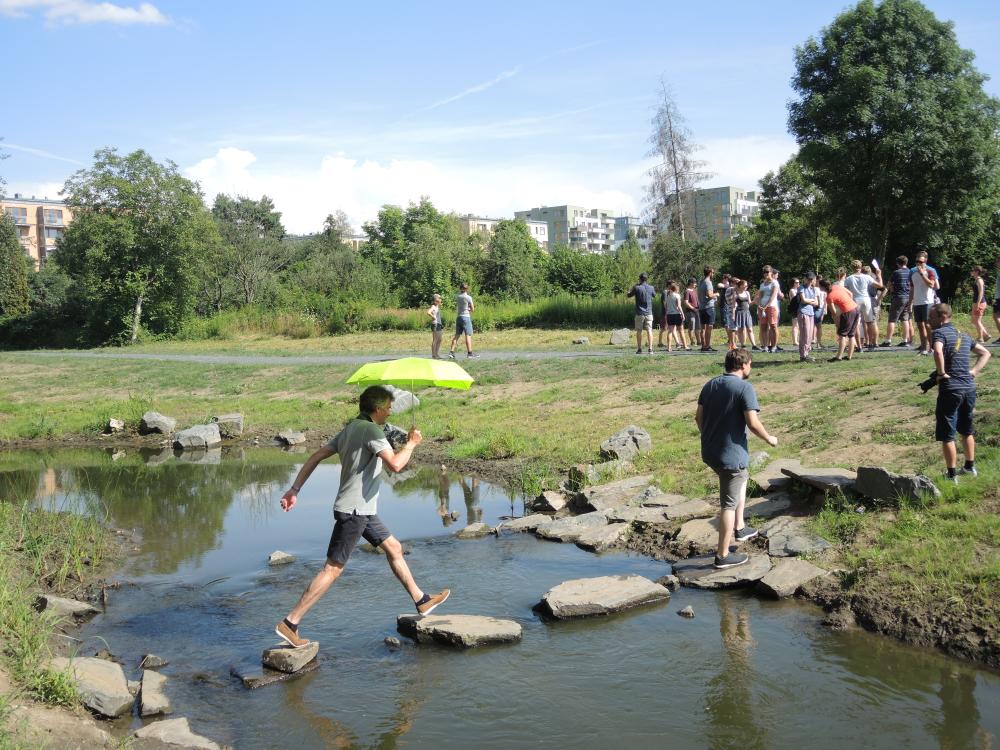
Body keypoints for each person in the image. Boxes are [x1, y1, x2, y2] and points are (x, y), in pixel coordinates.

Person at [274, 385, 451, 648]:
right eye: (389, 407)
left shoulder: (352, 427)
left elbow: (316, 455)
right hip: (355, 510)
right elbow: (396, 464)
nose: (391, 411)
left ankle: (421, 599)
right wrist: (412, 444)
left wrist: (295, 488)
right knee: (332, 569)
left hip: (363, 510)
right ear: (378, 409)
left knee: (394, 547)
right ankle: (290, 623)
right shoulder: (371, 430)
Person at [695, 349, 778, 569]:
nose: (751, 368)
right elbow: (752, 423)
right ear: (744, 365)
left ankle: (740, 528)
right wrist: (769, 438)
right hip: (731, 456)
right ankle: (722, 556)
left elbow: (698, 418)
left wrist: (711, 437)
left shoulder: (711, 384)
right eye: (750, 365)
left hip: (711, 452)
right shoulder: (744, 387)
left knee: (742, 477)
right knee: (728, 504)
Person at [928, 304, 990, 482]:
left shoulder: (938, 333)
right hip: (968, 388)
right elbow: (985, 353)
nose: (929, 320)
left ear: (943, 317)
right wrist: (974, 372)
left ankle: (951, 475)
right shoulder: (963, 335)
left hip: (951, 389)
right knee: (966, 430)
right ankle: (970, 467)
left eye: (932, 317)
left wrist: (941, 373)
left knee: (948, 433)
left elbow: (938, 351)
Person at [821, 278, 860, 361]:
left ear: (822, 288)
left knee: (842, 335)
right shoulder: (837, 286)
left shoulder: (829, 297)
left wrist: (838, 324)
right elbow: (850, 293)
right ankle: (849, 356)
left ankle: (838, 357)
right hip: (855, 308)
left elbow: (834, 313)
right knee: (851, 334)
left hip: (848, 311)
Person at [909, 251, 940, 355]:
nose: (918, 263)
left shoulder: (931, 270)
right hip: (917, 302)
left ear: (925, 260)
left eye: (920, 261)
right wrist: (910, 303)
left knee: (927, 325)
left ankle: (932, 347)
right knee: (920, 326)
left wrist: (922, 273)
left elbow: (931, 285)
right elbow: (912, 288)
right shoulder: (912, 271)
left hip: (928, 301)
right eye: (917, 260)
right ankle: (924, 347)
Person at [883, 255, 913, 347]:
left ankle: (888, 341)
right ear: (906, 263)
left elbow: (888, 285)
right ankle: (905, 340)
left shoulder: (896, 272)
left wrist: (884, 294)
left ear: (897, 263)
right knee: (905, 319)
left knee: (892, 319)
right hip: (909, 297)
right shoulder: (910, 272)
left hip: (898, 297)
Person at [753, 266, 781, 353]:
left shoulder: (775, 283)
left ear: (771, 272)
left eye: (767, 272)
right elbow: (760, 295)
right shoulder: (762, 284)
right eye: (764, 272)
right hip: (762, 307)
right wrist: (760, 305)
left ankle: (774, 346)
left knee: (773, 326)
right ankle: (765, 346)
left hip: (772, 306)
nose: (766, 273)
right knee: (763, 326)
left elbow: (773, 295)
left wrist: (767, 305)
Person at [627, 272, 656, 354]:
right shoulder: (651, 287)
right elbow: (654, 295)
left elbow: (628, 295)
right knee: (649, 330)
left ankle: (639, 349)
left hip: (639, 313)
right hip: (649, 312)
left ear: (640, 279)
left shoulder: (637, 288)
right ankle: (650, 349)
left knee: (639, 331)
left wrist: (632, 287)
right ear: (646, 279)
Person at [448, 283, 478, 359]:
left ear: (460, 288)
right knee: (468, 335)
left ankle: (451, 352)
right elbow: (472, 309)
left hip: (459, 317)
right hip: (466, 317)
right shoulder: (469, 297)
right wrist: (469, 308)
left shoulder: (458, 297)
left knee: (457, 335)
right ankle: (470, 353)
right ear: (467, 289)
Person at [797, 272, 820, 362]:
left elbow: (817, 303)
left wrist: (808, 301)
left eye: (812, 279)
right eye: (809, 279)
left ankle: (806, 354)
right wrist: (811, 301)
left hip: (811, 313)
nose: (810, 281)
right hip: (803, 312)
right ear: (805, 279)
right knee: (804, 334)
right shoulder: (801, 287)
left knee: (810, 335)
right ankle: (803, 355)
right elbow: (803, 300)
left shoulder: (813, 289)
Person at [732, 279, 756, 350]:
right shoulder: (735, 293)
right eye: (745, 285)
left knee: (750, 329)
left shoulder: (747, 293)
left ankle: (754, 345)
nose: (746, 286)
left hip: (747, 312)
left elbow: (750, 303)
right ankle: (743, 345)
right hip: (739, 312)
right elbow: (733, 306)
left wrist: (755, 301)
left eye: (746, 285)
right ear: (741, 285)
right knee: (741, 329)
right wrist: (733, 315)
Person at [698, 266, 718, 352]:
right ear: (710, 273)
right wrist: (716, 294)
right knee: (709, 327)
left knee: (703, 328)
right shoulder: (708, 282)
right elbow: (709, 295)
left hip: (702, 307)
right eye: (713, 273)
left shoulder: (701, 282)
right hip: (709, 307)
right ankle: (707, 346)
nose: (713, 274)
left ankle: (703, 346)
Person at [663, 282, 686, 351]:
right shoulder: (677, 296)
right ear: (676, 289)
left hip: (669, 315)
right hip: (676, 314)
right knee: (681, 330)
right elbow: (679, 306)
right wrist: (682, 314)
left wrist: (666, 315)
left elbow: (665, 307)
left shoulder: (668, 296)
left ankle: (669, 347)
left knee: (670, 331)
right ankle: (685, 346)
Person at [970, 266, 989, 344]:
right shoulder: (976, 280)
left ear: (977, 271)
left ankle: (981, 338)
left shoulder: (979, 280)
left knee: (977, 321)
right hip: (977, 302)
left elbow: (981, 293)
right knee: (974, 320)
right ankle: (986, 335)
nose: (971, 272)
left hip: (980, 302)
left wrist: (978, 303)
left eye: (972, 270)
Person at [683, 277, 701, 345]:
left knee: (698, 327)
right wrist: (693, 308)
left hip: (697, 311)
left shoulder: (694, 291)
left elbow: (697, 301)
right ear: (691, 283)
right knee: (691, 327)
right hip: (690, 312)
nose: (695, 284)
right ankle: (692, 342)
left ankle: (699, 341)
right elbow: (686, 302)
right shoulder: (687, 291)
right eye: (694, 283)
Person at [427, 294, 444, 359]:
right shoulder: (433, 306)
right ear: (435, 300)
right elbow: (428, 312)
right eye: (439, 298)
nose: (440, 299)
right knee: (435, 340)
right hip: (435, 324)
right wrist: (433, 316)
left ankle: (436, 354)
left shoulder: (437, 306)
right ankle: (433, 355)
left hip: (439, 324)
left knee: (439, 340)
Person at [813, 275, 827, 350]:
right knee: (812, 326)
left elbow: (825, 300)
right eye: (818, 280)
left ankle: (819, 342)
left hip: (821, 308)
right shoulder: (814, 288)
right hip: (815, 307)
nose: (819, 281)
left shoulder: (823, 289)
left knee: (819, 326)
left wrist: (824, 310)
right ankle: (812, 341)